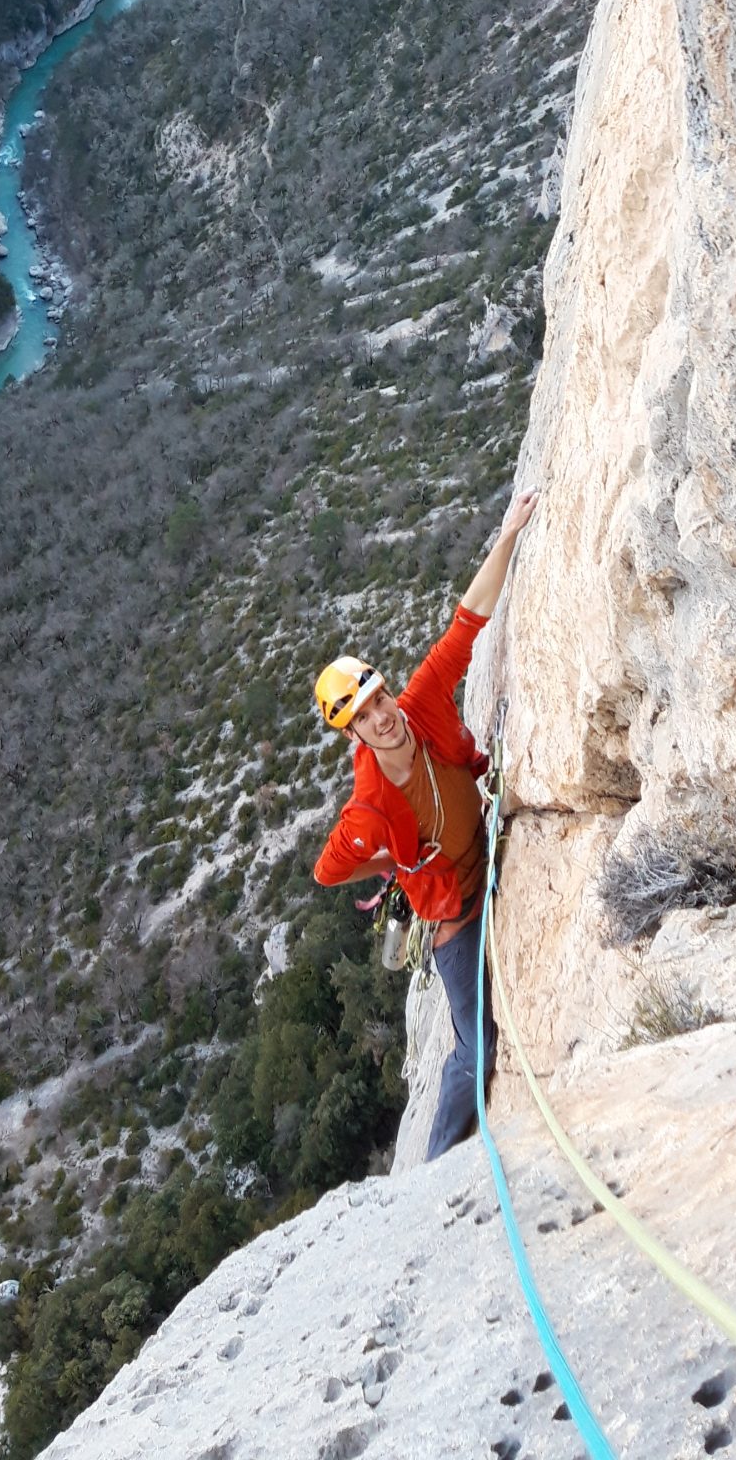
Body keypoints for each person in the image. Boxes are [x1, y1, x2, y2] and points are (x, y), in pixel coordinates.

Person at [311, 485, 539, 1158]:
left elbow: (469, 619)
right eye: (366, 715)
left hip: (490, 853)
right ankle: (438, 1165)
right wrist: (390, 862)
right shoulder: (369, 807)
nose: (383, 715)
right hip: (454, 915)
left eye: (379, 698)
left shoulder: (425, 700)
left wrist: (509, 534)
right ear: (354, 732)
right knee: (477, 1047)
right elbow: (327, 871)